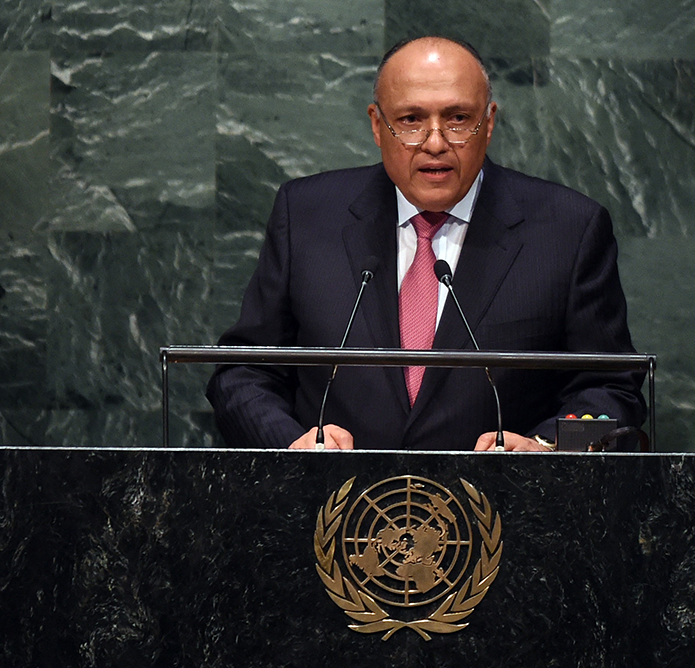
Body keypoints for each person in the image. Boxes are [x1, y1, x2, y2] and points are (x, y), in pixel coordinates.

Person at [206, 36, 646, 451]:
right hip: (332, 511)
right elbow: (244, 373)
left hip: (503, 514)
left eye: (458, 119)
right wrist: (294, 448)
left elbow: (609, 388)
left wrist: (544, 447)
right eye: (411, 120)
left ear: (488, 123)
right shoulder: (305, 215)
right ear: (377, 125)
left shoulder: (568, 228)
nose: (435, 143)